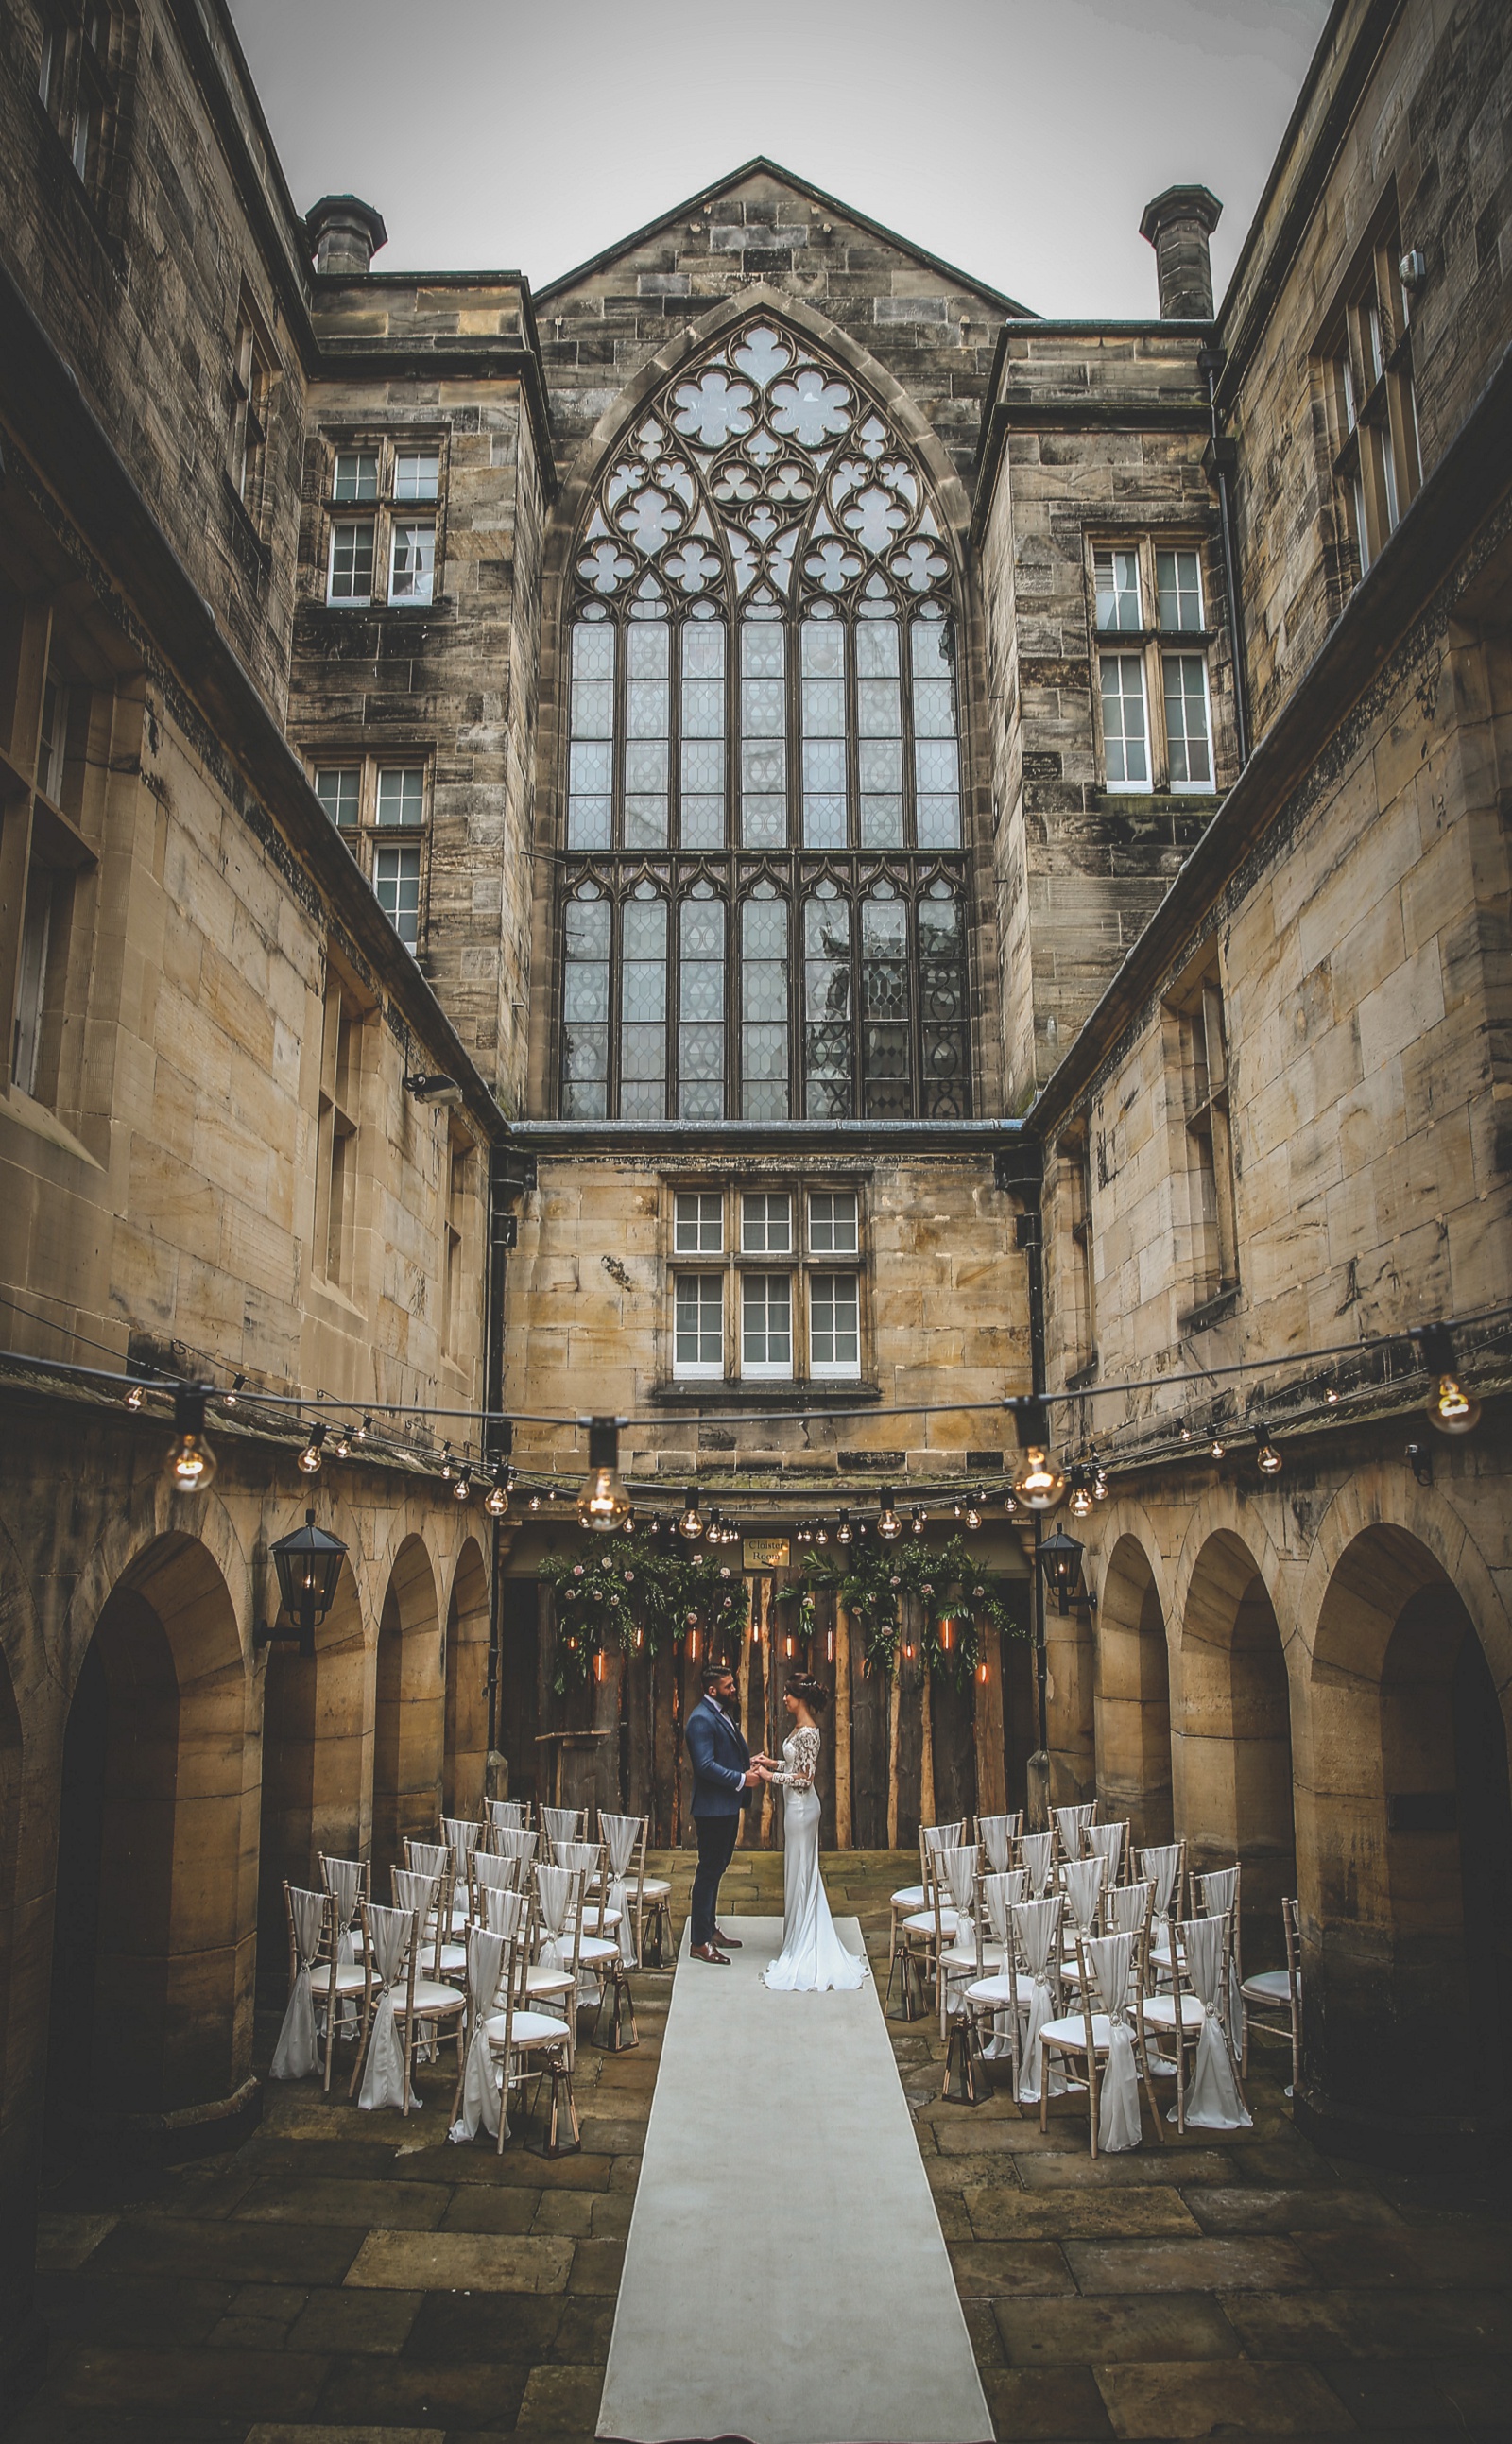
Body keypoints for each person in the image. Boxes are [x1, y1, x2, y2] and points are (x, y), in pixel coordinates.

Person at [758, 1676, 868, 1993]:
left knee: (803, 1871)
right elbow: (794, 1764)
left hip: (803, 1809)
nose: (784, 1700)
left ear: (800, 1699)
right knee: (797, 1870)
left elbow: (805, 1779)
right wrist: (772, 1762)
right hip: (795, 1808)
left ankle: (805, 1940)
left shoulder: (808, 1733)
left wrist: (769, 1776)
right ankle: (796, 1936)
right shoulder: (799, 1729)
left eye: (788, 1695)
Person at [682, 1660, 764, 1964]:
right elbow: (704, 1766)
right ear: (712, 1689)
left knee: (717, 1868)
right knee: (708, 1871)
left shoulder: (720, 1713)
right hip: (713, 1809)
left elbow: (723, 1754)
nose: (733, 1690)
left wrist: (748, 1761)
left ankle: (709, 1927)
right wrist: (744, 1779)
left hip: (725, 1807)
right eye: (728, 1686)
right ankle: (699, 1942)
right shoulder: (700, 1719)